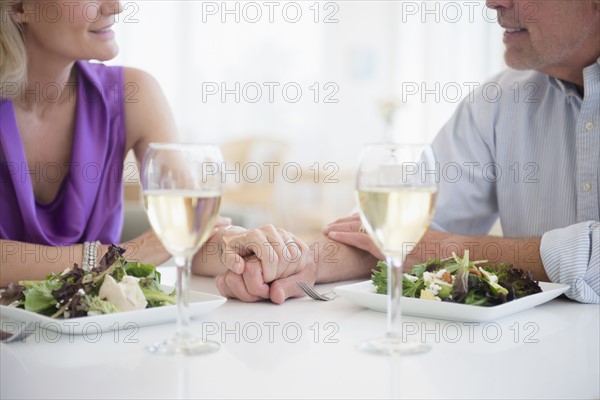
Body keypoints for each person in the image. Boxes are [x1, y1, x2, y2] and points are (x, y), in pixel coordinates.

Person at [216, 0, 599, 304]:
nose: (493, 2)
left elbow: (422, 243)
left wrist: (443, 247)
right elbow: (399, 237)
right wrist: (300, 261)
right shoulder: (499, 102)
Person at [0, 0, 308, 301]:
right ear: (17, 7)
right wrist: (123, 255)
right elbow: (151, 247)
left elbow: (185, 233)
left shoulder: (132, 93)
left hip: (96, 335)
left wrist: (239, 248)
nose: (115, 6)